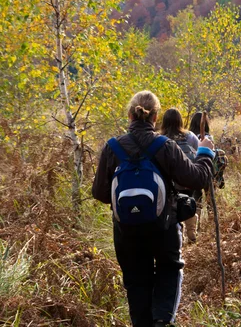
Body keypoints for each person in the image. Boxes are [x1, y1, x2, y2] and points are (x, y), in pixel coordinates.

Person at [92, 91, 215, 327]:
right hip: (163, 226)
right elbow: (198, 179)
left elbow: (99, 193)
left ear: (130, 115)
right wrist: (205, 152)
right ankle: (162, 320)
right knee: (170, 268)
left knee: (136, 278)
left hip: (126, 230)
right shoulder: (165, 146)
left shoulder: (112, 147)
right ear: (155, 117)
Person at [160, 108, 200, 243]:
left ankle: (178, 234)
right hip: (188, 178)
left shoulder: (160, 139)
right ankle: (191, 231)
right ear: (180, 121)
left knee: (171, 207)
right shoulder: (190, 136)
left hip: (169, 181)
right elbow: (198, 155)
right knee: (188, 201)